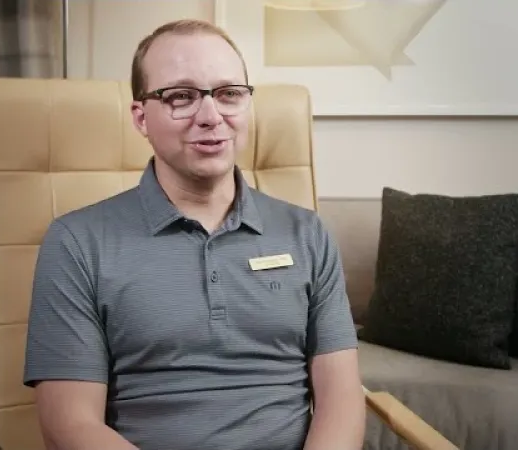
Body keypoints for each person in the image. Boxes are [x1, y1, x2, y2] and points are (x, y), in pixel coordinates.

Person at [22, 18, 365, 450]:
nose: (211, 116)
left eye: (228, 94)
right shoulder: (76, 242)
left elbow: (342, 401)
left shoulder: (308, 233)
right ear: (141, 117)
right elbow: (69, 425)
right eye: (181, 96)